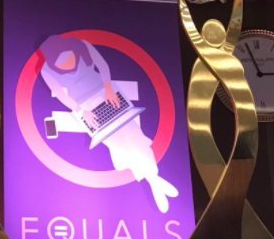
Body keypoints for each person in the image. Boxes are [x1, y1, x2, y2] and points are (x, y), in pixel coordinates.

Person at [38, 34, 178, 213]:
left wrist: (109, 89)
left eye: (68, 57)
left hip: (107, 94)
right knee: (121, 147)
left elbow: (102, 65)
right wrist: (81, 111)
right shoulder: (47, 71)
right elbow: (60, 94)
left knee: (136, 137)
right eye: (61, 63)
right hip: (86, 108)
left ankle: (153, 181)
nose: (67, 63)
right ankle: (154, 181)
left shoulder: (83, 46)